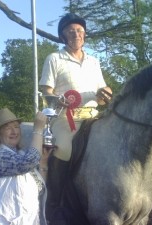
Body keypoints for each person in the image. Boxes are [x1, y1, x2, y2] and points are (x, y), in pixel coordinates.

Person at [39, 13, 112, 222]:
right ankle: (56, 200)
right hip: (66, 118)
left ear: (85, 35)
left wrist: (106, 93)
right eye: (71, 31)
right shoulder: (54, 58)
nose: (76, 34)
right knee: (64, 148)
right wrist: (59, 100)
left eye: (79, 31)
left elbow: (101, 95)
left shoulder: (94, 62)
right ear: (63, 35)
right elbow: (47, 92)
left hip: (94, 117)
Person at [0, 108, 52, 225]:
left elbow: (39, 188)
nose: (14, 131)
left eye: (16, 126)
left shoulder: (20, 154)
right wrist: (38, 129)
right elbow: (28, 162)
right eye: (7, 128)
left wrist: (43, 163)